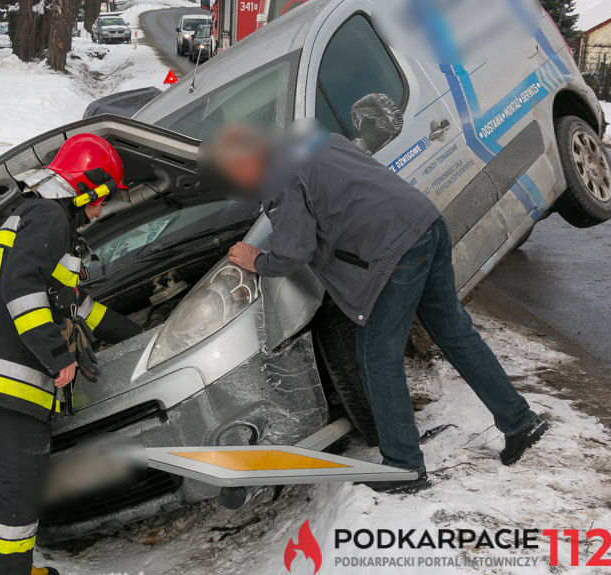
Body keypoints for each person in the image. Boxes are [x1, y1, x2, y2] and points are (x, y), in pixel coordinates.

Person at [203, 122, 547, 494]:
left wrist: (258, 261)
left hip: (392, 252)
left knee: (377, 359)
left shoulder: (276, 176)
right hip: (425, 224)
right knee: (454, 332)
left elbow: (294, 249)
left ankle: (404, 466)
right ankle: (519, 422)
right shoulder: (307, 140)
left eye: (234, 172)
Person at [0, 134, 141, 574]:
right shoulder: (49, 217)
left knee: (20, 483)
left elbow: (72, 304)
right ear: (89, 186)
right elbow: (21, 289)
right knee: (18, 486)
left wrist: (133, 331)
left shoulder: (35, 215)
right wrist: (57, 356)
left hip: (3, 370)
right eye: (104, 197)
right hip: (13, 373)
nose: (103, 209)